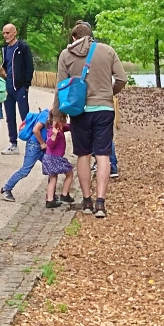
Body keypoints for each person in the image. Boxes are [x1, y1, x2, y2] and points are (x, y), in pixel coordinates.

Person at [55, 21, 127, 219]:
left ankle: (87, 201)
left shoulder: (65, 55)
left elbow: (60, 87)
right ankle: (101, 203)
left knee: (83, 155)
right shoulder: (107, 51)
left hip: (79, 111)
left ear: (74, 38)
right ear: (91, 36)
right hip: (104, 109)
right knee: (103, 155)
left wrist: (57, 115)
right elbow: (122, 78)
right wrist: (108, 93)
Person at [0, 107, 48, 202]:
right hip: (34, 146)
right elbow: (35, 130)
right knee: (24, 170)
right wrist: (42, 143)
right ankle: (6, 189)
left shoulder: (54, 116)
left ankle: (51, 195)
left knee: (51, 168)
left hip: (42, 146)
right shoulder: (46, 114)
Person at [0, 23, 34, 155]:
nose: (5, 36)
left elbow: (29, 66)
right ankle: (13, 144)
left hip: (20, 88)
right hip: (7, 88)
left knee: (25, 115)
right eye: (3, 33)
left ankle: (32, 142)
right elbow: (4, 66)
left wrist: (26, 85)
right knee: (10, 116)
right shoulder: (4, 49)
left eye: (7, 33)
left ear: (15, 33)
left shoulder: (23, 47)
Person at [42, 108, 75, 209]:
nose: (65, 122)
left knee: (53, 178)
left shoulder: (60, 127)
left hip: (53, 158)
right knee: (69, 173)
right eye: (64, 119)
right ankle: (64, 195)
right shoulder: (53, 130)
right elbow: (50, 144)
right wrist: (54, 135)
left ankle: (50, 199)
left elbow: (68, 127)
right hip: (54, 158)